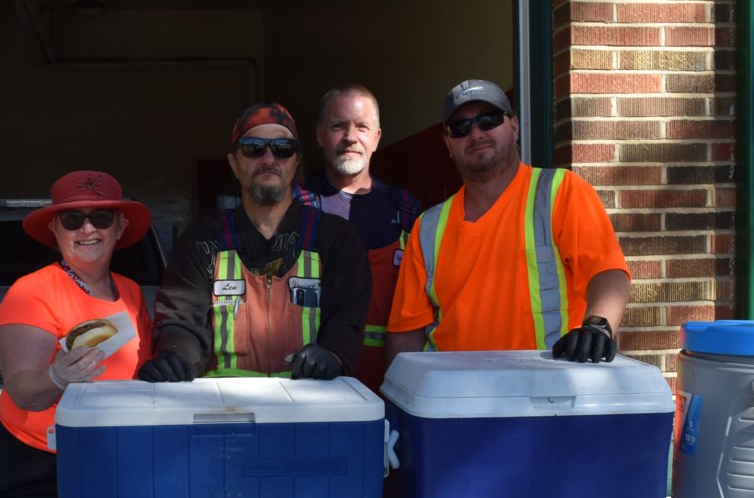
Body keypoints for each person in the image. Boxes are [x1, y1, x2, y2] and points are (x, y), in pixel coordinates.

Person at [387, 79, 631, 363]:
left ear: (514, 126)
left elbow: (608, 273)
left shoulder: (560, 192)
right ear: (448, 144)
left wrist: (597, 327)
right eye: (460, 128)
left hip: (545, 392)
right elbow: (406, 332)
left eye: (488, 120)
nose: (476, 133)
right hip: (453, 399)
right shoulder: (427, 227)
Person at [0, 170, 153, 498]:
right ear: (55, 229)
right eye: (72, 219)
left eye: (102, 218)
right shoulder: (32, 291)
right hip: (28, 474)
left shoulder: (131, 291)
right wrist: (57, 376)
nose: (88, 229)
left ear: (120, 227)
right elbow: (25, 393)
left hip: (104, 465)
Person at [139, 102, 371, 382]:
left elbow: (346, 322)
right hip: (224, 413)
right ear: (234, 164)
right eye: (253, 148)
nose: (269, 159)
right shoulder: (201, 241)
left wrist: (333, 355)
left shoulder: (336, 239)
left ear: (296, 161)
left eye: (283, 149)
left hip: (309, 412)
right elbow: (181, 320)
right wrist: (175, 357)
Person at [297, 83, 423, 393]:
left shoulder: (407, 210)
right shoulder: (296, 206)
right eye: (339, 126)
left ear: (377, 138)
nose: (351, 137)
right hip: (314, 385)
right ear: (319, 135)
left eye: (362, 127)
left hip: (393, 386)